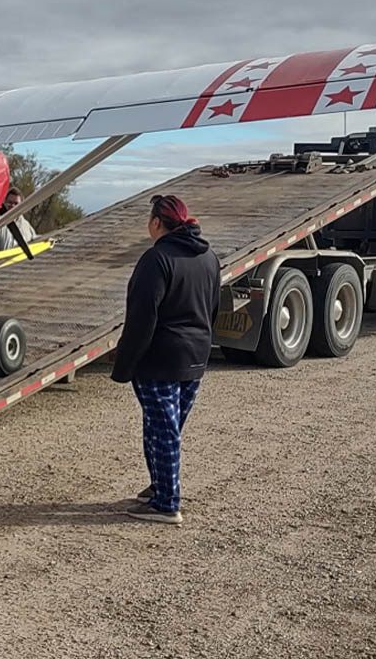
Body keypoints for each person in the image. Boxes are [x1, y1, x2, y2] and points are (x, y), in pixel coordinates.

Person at [111, 195, 220, 525]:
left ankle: (166, 503)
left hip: (160, 358)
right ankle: (160, 485)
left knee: (162, 431)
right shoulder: (209, 258)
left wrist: (125, 364)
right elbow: (214, 306)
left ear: (157, 222)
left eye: (149, 218)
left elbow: (142, 317)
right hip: (195, 357)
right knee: (167, 429)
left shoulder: (156, 260)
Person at [0, 187, 37, 255]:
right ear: (4, 203)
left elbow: (35, 242)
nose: (12, 206)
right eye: (10, 202)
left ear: (21, 205)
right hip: (0, 264)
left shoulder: (26, 225)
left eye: (16, 203)